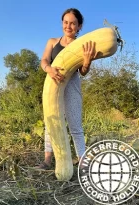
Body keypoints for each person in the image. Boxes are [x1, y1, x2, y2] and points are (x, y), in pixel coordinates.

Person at [37, 8, 97, 170]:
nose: (68, 26)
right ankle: (48, 160)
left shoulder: (81, 45)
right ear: (62, 23)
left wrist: (86, 62)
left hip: (72, 86)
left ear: (79, 26)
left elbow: (83, 72)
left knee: (75, 126)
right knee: (51, 124)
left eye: (73, 23)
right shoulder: (52, 42)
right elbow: (43, 61)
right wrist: (49, 69)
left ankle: (83, 162)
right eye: (65, 22)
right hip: (52, 84)